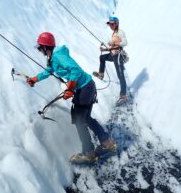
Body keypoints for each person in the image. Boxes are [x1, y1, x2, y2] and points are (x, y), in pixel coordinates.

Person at [26, 31, 116, 165]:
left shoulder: (58, 56)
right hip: (85, 87)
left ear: (46, 47)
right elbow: (48, 71)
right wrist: (35, 79)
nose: (39, 50)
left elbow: (76, 70)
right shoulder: (52, 58)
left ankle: (89, 154)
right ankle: (107, 143)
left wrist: (70, 88)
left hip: (85, 89)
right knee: (86, 118)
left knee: (80, 121)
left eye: (40, 47)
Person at [93, 16, 128, 105]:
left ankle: (123, 96)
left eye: (112, 24)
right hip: (113, 55)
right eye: (109, 24)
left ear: (116, 24)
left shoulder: (120, 32)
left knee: (120, 75)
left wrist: (114, 43)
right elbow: (112, 47)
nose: (110, 26)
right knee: (102, 57)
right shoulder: (114, 33)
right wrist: (104, 49)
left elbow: (125, 42)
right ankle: (101, 74)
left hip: (118, 56)